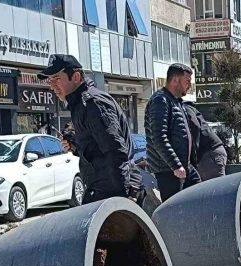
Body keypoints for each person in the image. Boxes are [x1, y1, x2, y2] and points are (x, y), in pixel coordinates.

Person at [38, 54, 143, 205]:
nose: (52, 85)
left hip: (115, 191)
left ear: (75, 77)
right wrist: (75, 146)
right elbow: (95, 150)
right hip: (102, 188)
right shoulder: (80, 104)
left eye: (56, 78)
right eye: (50, 80)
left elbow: (115, 150)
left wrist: (124, 196)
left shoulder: (93, 103)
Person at [145, 63, 201, 201]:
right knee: (175, 207)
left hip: (184, 166)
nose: (189, 85)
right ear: (175, 80)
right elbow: (159, 137)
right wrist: (175, 165)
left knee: (200, 197)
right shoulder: (160, 100)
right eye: (187, 81)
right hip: (169, 170)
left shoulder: (176, 102)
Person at [184, 103, 227, 181]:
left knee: (215, 186)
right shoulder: (186, 108)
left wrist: (193, 156)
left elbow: (194, 128)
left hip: (209, 152)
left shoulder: (185, 108)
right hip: (210, 152)